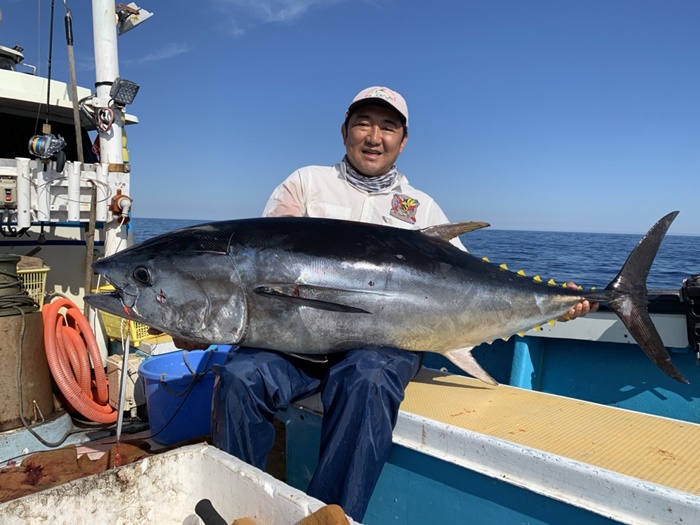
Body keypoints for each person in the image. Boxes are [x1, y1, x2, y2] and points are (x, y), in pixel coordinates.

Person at [209, 86, 597, 521]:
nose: (374, 137)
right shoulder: (306, 183)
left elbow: (465, 287)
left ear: (403, 141)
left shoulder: (422, 207)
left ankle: (329, 515)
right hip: (294, 343)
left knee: (368, 378)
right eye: (363, 124)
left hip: (384, 343)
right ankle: (237, 508)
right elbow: (264, 264)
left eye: (388, 127)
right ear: (344, 132)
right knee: (240, 376)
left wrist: (561, 300)